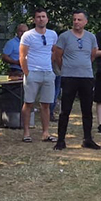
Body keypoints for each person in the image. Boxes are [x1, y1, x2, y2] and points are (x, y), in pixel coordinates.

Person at [52, 10, 101, 151]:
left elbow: (92, 55)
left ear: (85, 22)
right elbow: (58, 56)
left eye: (79, 20)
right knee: (65, 110)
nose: (76, 22)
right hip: (69, 77)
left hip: (86, 76)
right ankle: (61, 140)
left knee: (87, 110)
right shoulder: (65, 37)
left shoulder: (91, 37)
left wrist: (83, 65)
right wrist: (66, 68)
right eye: (74, 19)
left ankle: (88, 139)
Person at [19, 8, 58, 143]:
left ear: (47, 19)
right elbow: (22, 56)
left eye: (43, 16)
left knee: (46, 104)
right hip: (32, 72)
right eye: (38, 17)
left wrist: (51, 67)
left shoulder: (52, 34)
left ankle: (45, 133)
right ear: (34, 19)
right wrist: (27, 73)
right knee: (28, 103)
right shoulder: (28, 35)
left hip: (47, 72)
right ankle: (26, 132)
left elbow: (54, 51)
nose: (41, 19)